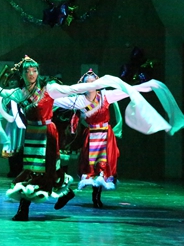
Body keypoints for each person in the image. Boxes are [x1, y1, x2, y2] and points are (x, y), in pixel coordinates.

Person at [0, 49, 179, 221]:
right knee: (41, 171)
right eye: (28, 71)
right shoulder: (19, 93)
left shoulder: (50, 89)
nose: (32, 73)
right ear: (22, 75)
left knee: (39, 172)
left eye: (34, 70)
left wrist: (102, 83)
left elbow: (76, 88)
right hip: (33, 135)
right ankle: (66, 192)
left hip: (48, 134)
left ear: (38, 73)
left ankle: (23, 210)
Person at [54, 68, 184, 208]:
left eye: (93, 82)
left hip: (105, 135)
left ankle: (97, 195)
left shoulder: (106, 96)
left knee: (103, 165)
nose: (91, 85)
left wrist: (146, 85)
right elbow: (58, 101)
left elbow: (127, 91)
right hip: (91, 136)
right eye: (87, 82)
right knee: (91, 166)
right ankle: (94, 193)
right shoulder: (79, 100)